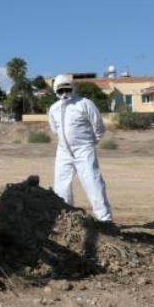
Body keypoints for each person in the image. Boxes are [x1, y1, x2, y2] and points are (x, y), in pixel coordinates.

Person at [48, 74, 113, 223]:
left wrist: (90, 143)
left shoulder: (85, 104)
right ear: (55, 91)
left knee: (92, 182)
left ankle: (105, 220)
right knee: (61, 185)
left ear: (73, 88)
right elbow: (54, 128)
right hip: (63, 151)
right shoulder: (54, 109)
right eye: (60, 91)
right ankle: (65, 218)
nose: (64, 94)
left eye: (67, 90)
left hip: (84, 150)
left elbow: (99, 127)